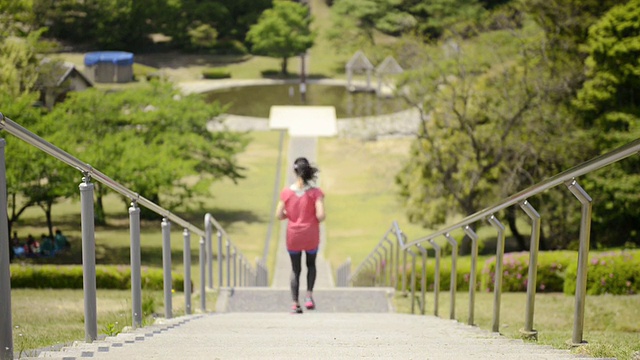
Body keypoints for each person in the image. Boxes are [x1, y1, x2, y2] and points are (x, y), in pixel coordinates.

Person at [275, 157, 325, 314]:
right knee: (311, 265)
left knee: (295, 269)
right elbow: (321, 215)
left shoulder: (286, 192)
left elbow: (278, 214)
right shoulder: (316, 193)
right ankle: (309, 296)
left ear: (294, 171)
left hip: (294, 236)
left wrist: (290, 215)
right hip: (310, 234)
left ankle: (295, 303)